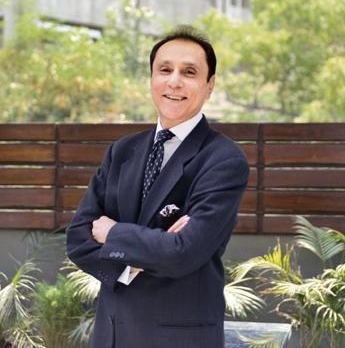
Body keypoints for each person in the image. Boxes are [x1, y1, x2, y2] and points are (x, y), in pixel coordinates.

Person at [66, 25, 249, 348]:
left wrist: (113, 233)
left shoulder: (223, 159)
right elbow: (79, 238)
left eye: (189, 72)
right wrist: (136, 262)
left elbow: (184, 252)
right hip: (112, 336)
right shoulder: (122, 151)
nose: (174, 81)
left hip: (180, 339)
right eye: (165, 70)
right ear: (151, 78)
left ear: (210, 85)